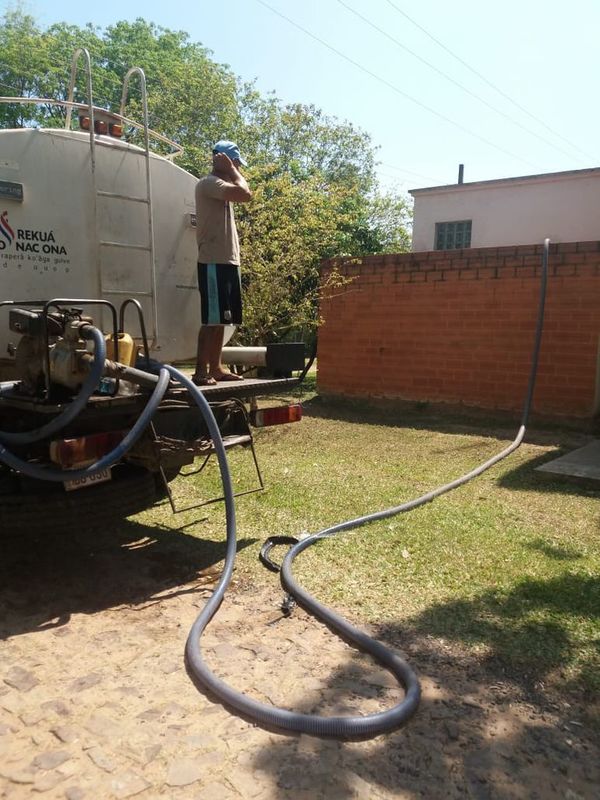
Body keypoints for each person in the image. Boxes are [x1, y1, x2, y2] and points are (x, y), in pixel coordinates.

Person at [193, 140, 252, 385]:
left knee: (222, 319)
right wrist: (233, 170)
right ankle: (199, 372)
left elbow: (241, 192)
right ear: (222, 159)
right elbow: (246, 194)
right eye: (234, 161)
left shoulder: (222, 187)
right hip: (213, 261)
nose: (237, 167)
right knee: (211, 319)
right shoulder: (209, 184)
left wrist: (232, 170)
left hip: (228, 261)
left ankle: (216, 368)